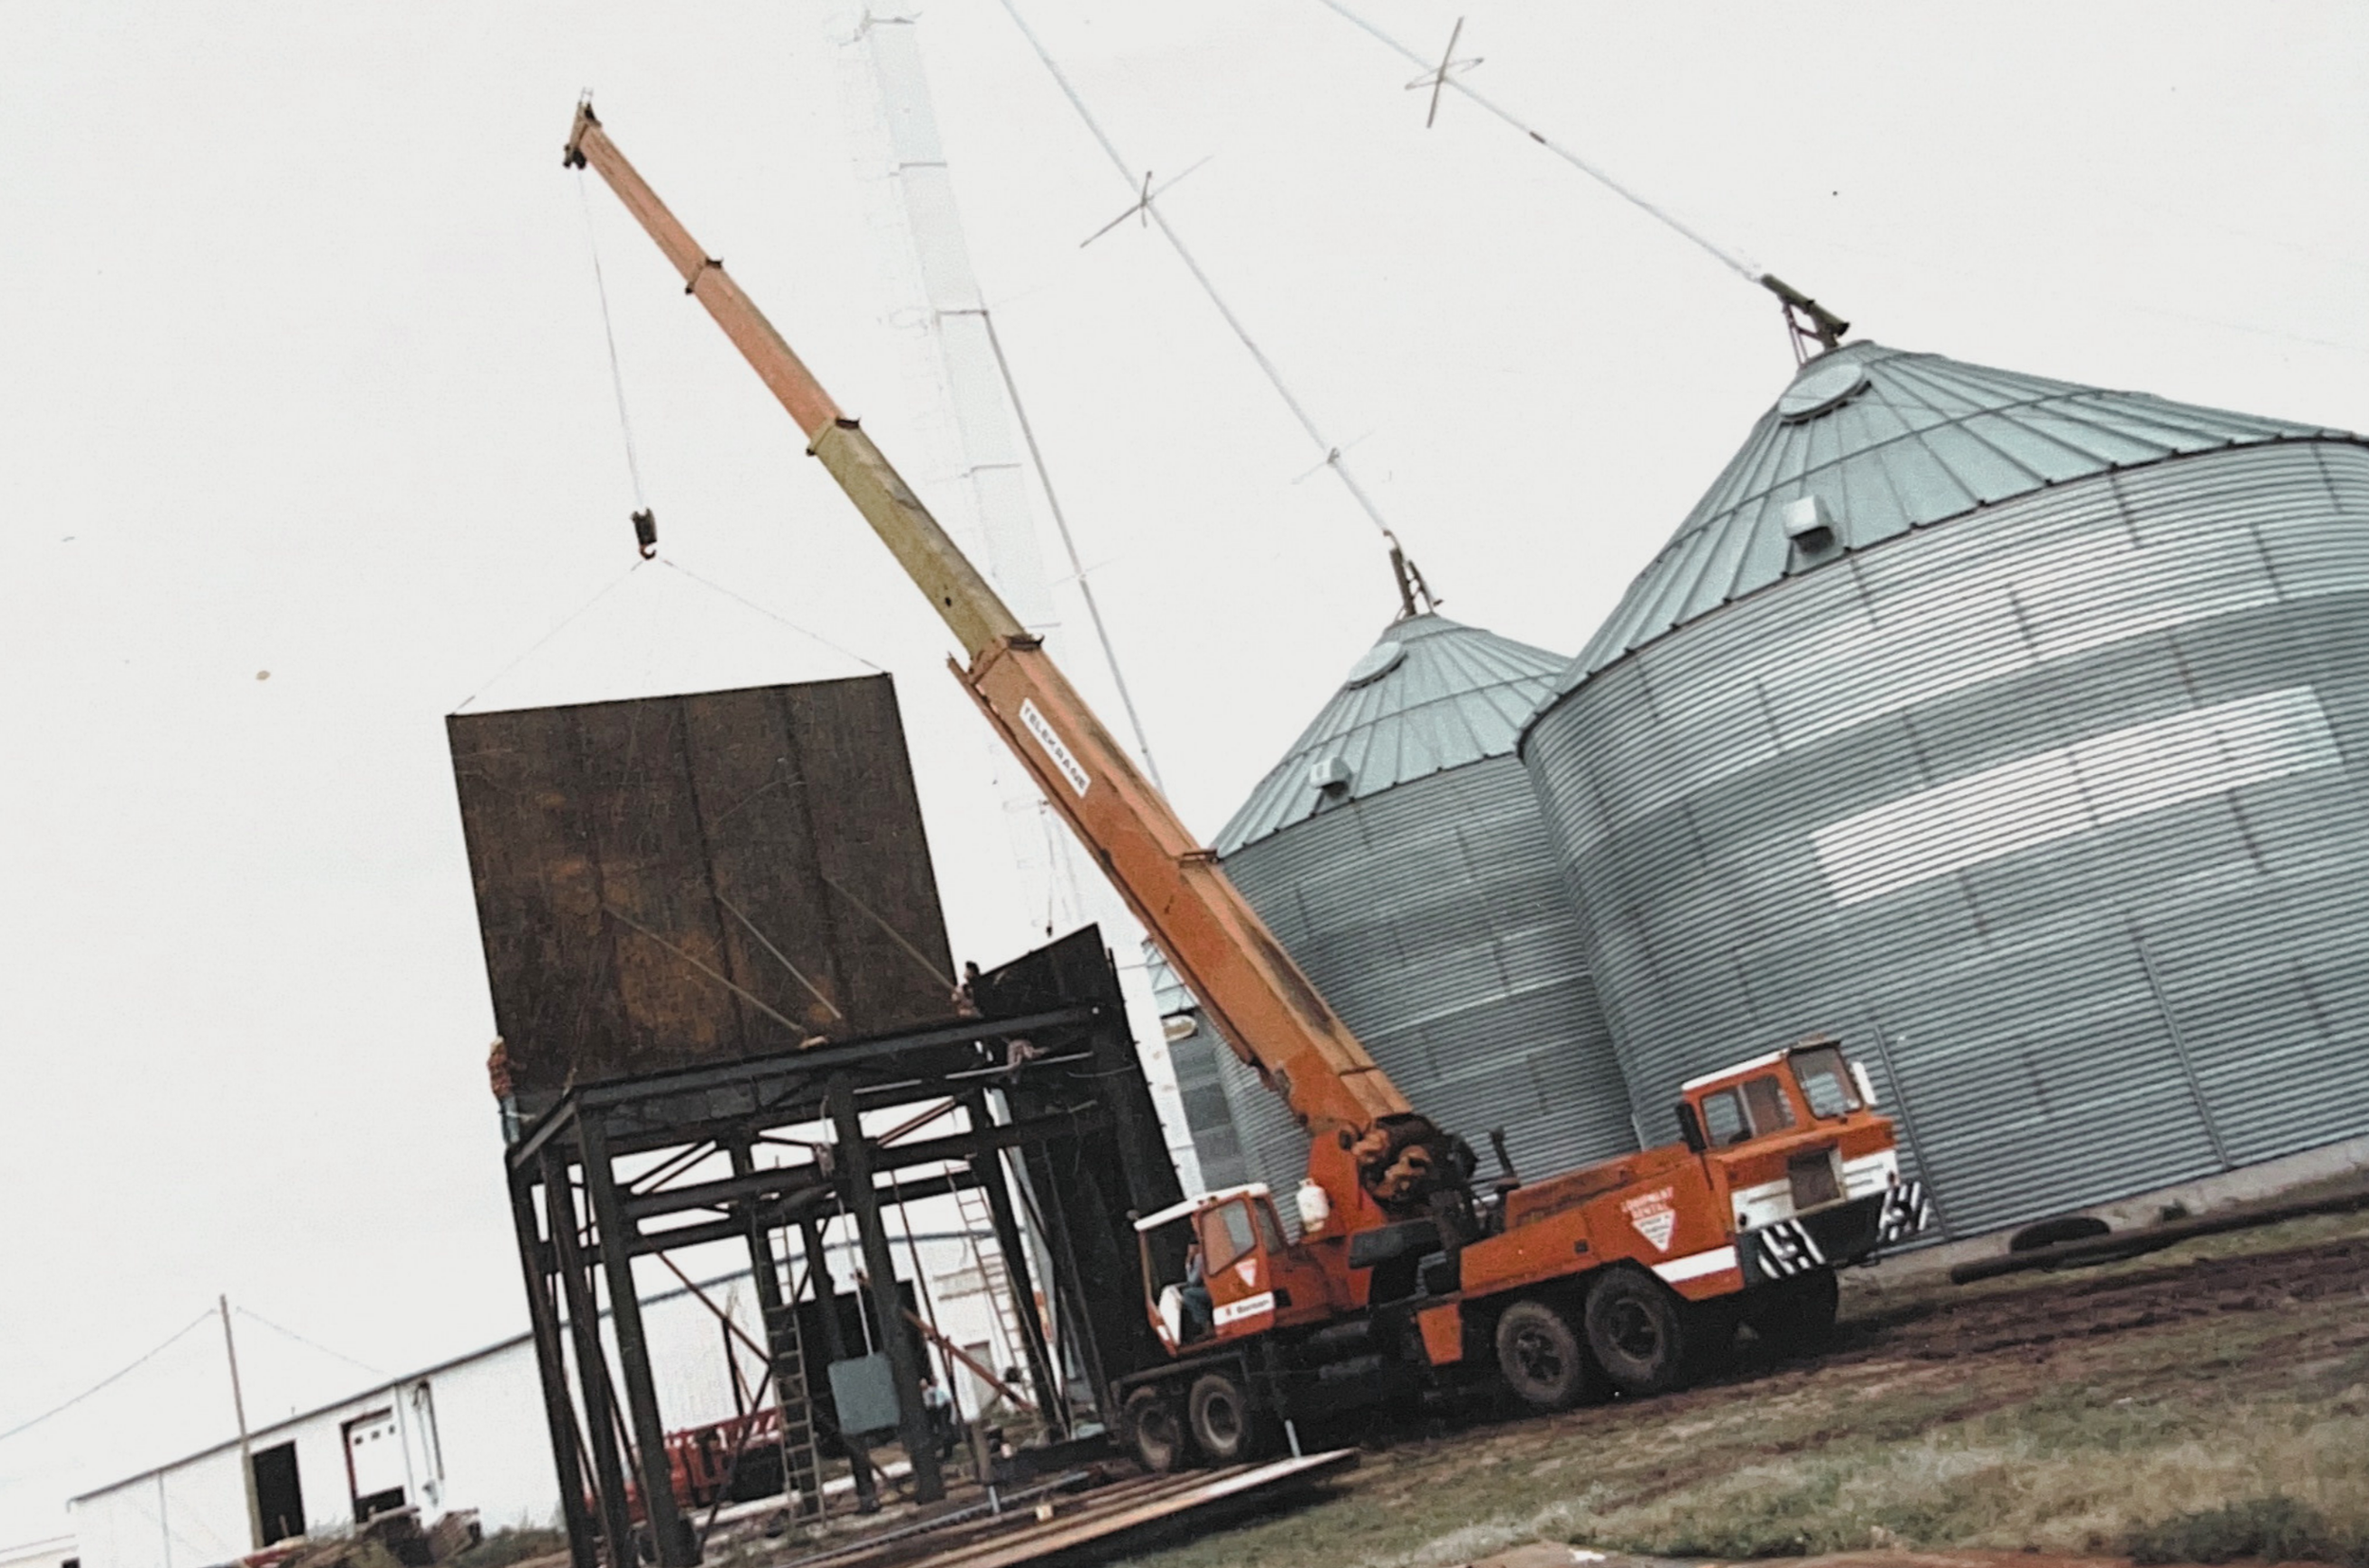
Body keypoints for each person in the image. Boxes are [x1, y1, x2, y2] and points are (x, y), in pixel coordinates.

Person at [1178, 1237, 1213, 1342]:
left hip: (1212, 1290)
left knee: (1188, 1294)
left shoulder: (1199, 1258)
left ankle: (1206, 1325)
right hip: (1212, 1287)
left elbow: (1192, 1281)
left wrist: (1188, 1264)